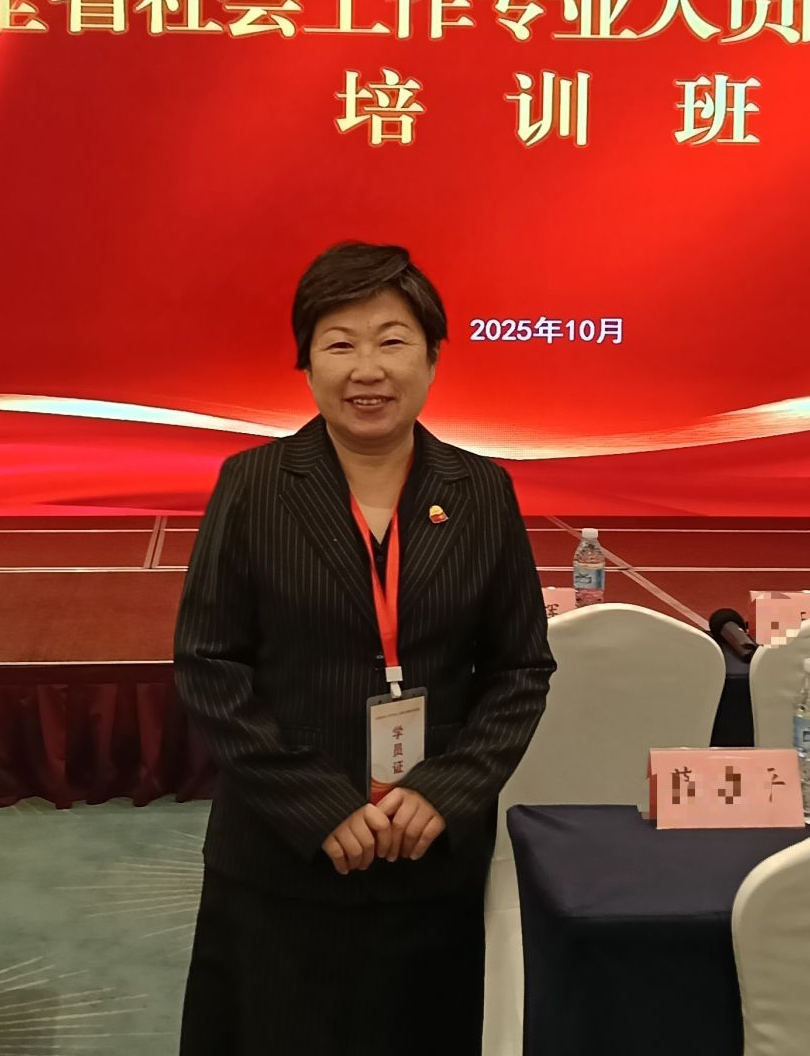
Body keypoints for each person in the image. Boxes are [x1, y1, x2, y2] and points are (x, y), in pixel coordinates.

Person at [174, 241, 554, 1055]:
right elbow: (209, 664)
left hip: (430, 858)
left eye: (392, 340)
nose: (367, 369)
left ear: (432, 357)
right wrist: (317, 803)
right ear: (307, 362)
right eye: (340, 343)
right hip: (281, 861)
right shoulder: (252, 485)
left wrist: (447, 791)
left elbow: (520, 669)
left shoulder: (482, 491)